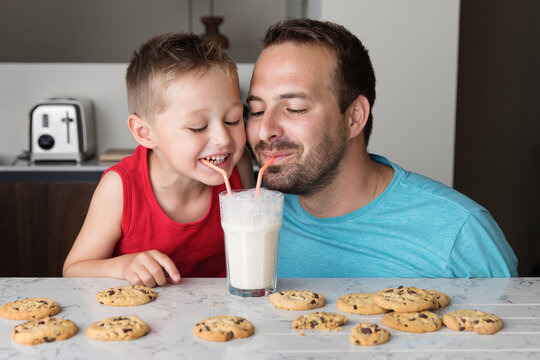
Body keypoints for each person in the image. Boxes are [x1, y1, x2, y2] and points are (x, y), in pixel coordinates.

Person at [245, 18, 518, 278]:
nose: (265, 130)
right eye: (256, 110)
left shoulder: (460, 233)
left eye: (295, 109)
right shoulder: (248, 218)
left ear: (354, 117)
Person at [63, 33, 254, 287]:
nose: (223, 138)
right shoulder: (120, 188)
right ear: (145, 133)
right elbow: (74, 269)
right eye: (198, 127)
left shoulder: (238, 167)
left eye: (233, 119)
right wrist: (123, 265)